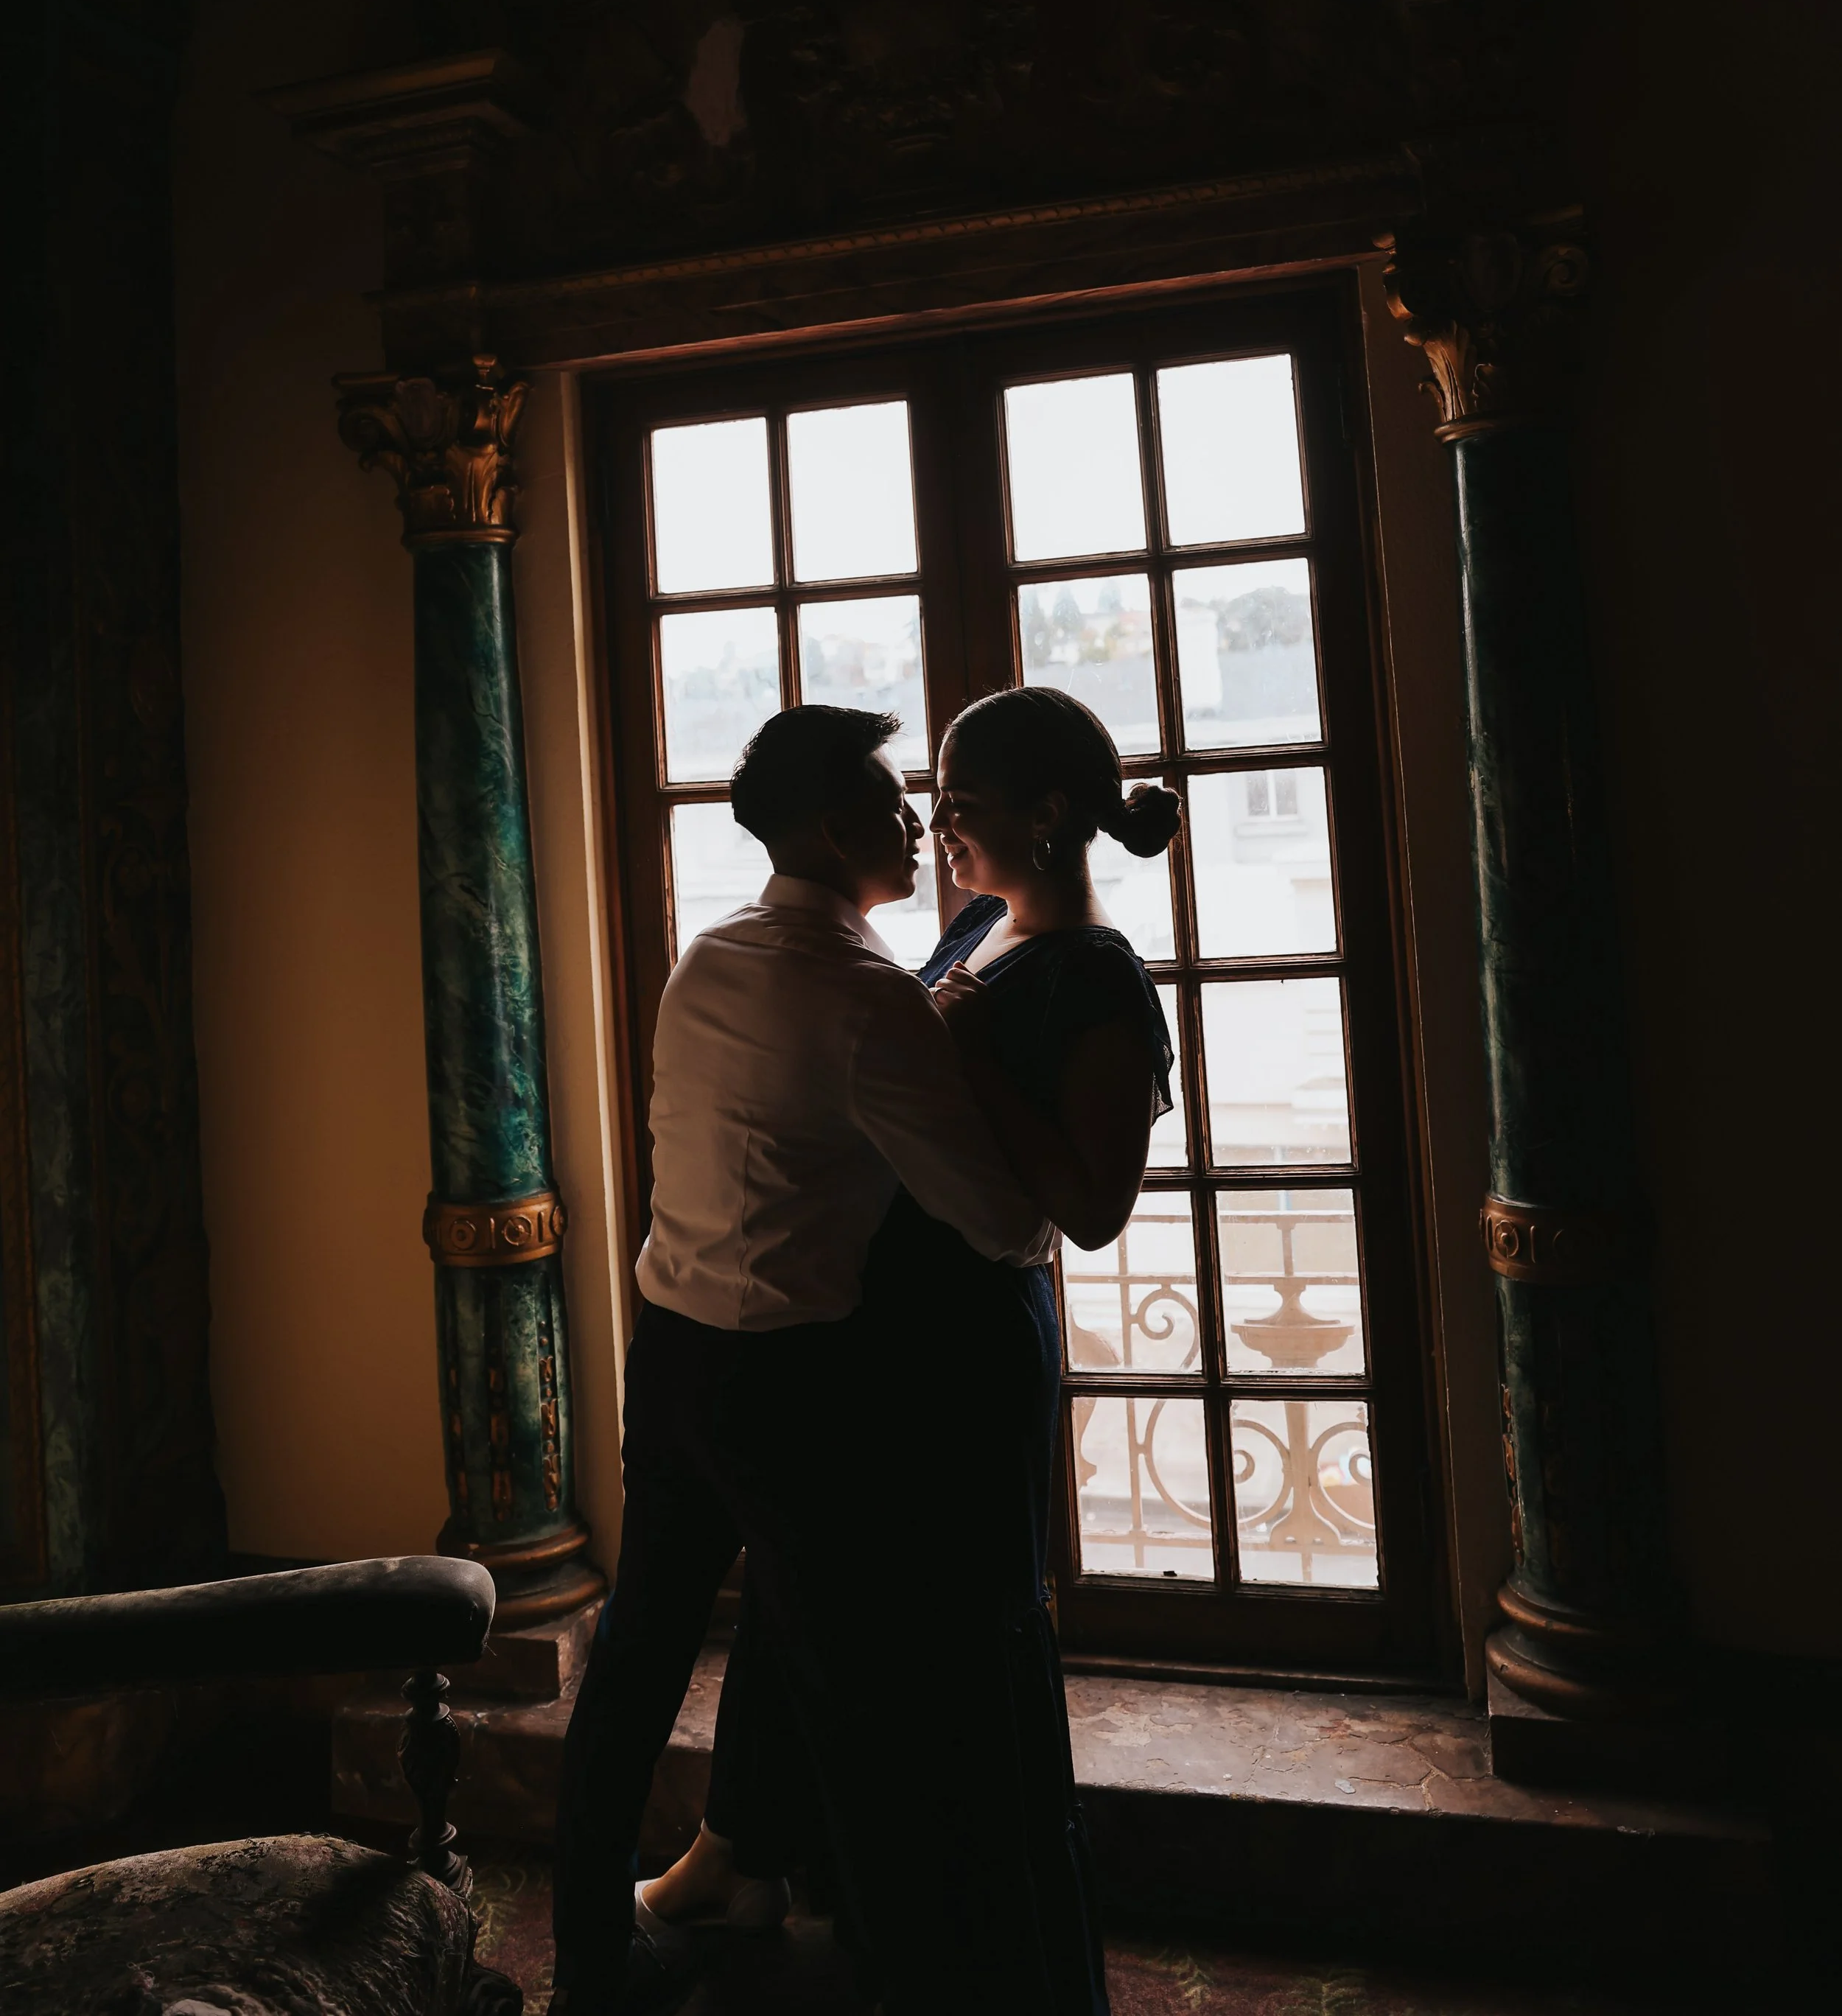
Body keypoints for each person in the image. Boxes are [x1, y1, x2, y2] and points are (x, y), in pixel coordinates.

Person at [640, 685, 1180, 2015]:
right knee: (844, 1637)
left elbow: (1091, 1209)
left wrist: (970, 1055)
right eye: (931, 802)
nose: (939, 828)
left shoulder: (1099, 979)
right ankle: (772, 1875)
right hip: (884, 1355)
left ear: (1045, 818)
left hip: (969, 1361)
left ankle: (984, 1969)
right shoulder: (977, 934)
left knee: (955, 1662)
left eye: (963, 803)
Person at [549, 704, 1054, 2015]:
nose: (918, 822)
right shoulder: (870, 1000)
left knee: (636, 1662)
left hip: (671, 1359)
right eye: (893, 803)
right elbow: (1002, 1223)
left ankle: (583, 1962)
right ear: (836, 831)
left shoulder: (708, 956)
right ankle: (902, 1981)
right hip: (789, 1393)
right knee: (853, 1696)